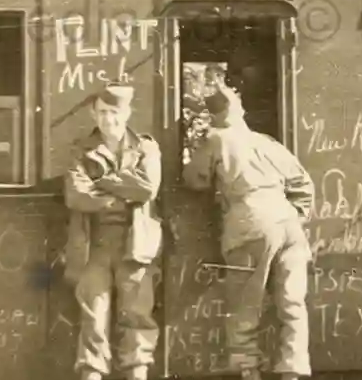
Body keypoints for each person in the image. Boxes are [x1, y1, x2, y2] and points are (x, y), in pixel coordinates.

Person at [182, 84, 314, 380]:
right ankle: (293, 371)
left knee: (244, 304)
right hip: (289, 227)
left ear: (214, 117)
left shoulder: (216, 139)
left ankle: (247, 371)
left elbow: (194, 180)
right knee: (292, 303)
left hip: (250, 226)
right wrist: (297, 216)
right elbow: (303, 184)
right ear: (240, 111)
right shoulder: (266, 142)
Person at [62, 82, 163, 380]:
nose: (109, 119)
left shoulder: (146, 147)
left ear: (127, 112)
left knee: (137, 316)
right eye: (103, 112)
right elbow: (76, 195)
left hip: (136, 244)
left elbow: (147, 189)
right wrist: (121, 190)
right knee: (94, 318)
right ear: (94, 115)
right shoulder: (81, 149)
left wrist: (101, 183)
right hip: (94, 246)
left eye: (115, 112)